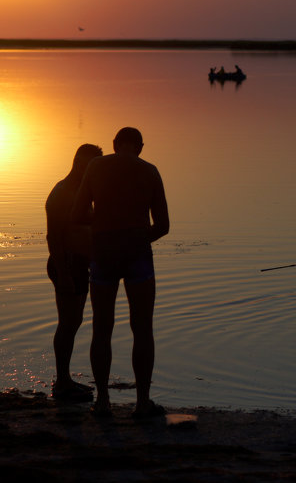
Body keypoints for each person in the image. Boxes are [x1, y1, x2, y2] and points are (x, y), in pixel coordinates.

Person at [71, 126, 170, 417]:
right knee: (142, 329)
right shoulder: (150, 171)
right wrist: (138, 238)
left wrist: (103, 222)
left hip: (103, 253)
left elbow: (77, 215)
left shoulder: (95, 167)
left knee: (101, 329)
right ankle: (142, 402)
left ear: (114, 145)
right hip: (137, 255)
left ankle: (102, 401)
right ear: (140, 147)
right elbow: (163, 226)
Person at [45, 143, 103, 401]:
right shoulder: (62, 192)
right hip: (66, 264)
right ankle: (62, 383)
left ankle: (65, 380)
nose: (93, 170)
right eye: (90, 165)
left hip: (80, 264)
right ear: (78, 162)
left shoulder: (83, 191)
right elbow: (54, 237)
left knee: (74, 322)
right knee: (68, 323)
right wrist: (64, 273)